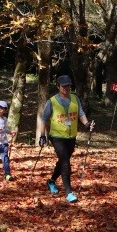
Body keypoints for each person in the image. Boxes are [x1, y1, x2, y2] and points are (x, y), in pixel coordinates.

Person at [38, 75, 94, 203]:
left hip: (71, 137)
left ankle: (51, 181)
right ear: (58, 87)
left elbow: (81, 113)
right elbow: (44, 120)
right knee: (65, 163)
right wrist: (42, 136)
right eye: (63, 86)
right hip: (57, 137)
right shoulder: (51, 102)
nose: (66, 88)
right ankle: (69, 192)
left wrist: (87, 124)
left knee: (63, 161)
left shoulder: (75, 98)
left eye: (68, 85)